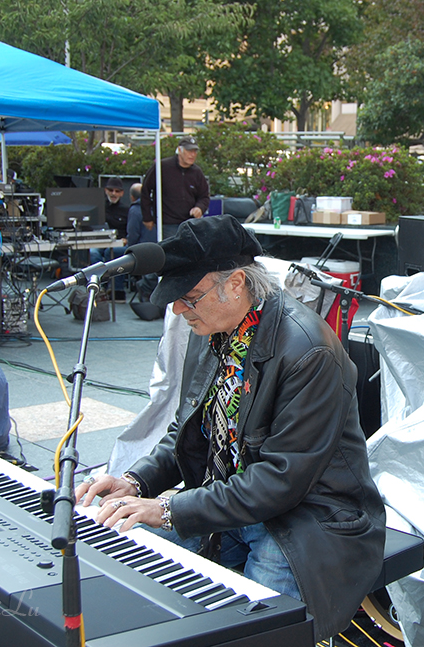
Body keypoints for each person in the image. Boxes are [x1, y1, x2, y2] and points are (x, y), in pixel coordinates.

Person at [77, 214, 386, 640]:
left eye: (190, 297)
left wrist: (168, 509)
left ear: (237, 283)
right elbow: (189, 429)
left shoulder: (308, 349)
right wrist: (136, 481)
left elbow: (280, 481)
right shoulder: (214, 328)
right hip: (233, 502)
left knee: (257, 633)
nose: (178, 309)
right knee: (133, 572)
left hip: (307, 519)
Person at [140, 136, 210, 239]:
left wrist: (199, 208)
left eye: (195, 151)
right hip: (167, 223)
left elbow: (204, 196)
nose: (193, 154)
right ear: (180, 150)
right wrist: (147, 217)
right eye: (189, 151)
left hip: (190, 223)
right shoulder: (162, 167)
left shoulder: (197, 172)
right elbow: (145, 190)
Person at [90, 176, 130, 296]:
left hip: (119, 242)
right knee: (93, 253)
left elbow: (131, 231)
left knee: (111, 252)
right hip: (99, 242)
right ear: (105, 190)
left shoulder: (126, 210)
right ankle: (99, 286)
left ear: (122, 193)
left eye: (117, 191)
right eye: (111, 190)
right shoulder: (98, 208)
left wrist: (127, 239)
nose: (114, 194)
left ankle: (115, 289)